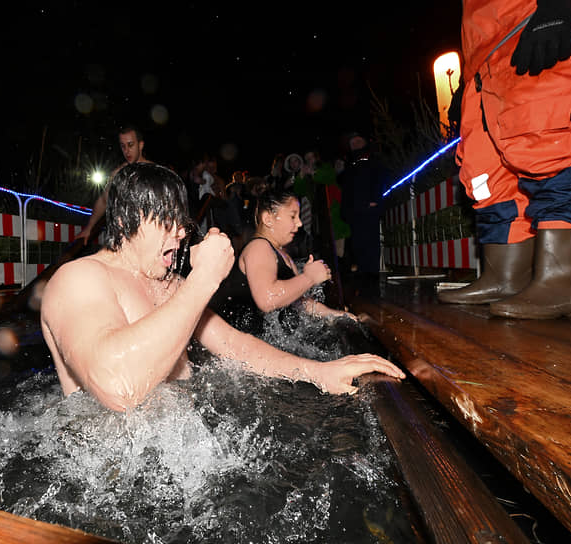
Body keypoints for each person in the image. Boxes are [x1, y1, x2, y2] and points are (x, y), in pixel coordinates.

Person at [40, 163, 404, 412]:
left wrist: (318, 372)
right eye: (166, 222)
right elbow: (117, 389)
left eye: (180, 222)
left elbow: (234, 345)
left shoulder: (167, 286)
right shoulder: (78, 278)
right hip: (112, 485)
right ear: (125, 220)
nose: (181, 234)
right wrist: (203, 279)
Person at [439, 0, 571, 319]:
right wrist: (468, 77)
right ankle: (505, 276)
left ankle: (560, 281)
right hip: (486, 48)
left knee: (556, 139)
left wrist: (560, 5)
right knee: (487, 172)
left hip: (540, 15)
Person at [210, 188, 356, 337]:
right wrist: (308, 278)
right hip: (242, 346)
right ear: (268, 219)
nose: (299, 223)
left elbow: (298, 303)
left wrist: (336, 315)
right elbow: (268, 300)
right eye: (293, 216)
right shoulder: (258, 248)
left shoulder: (282, 254)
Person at [75, 125, 151, 245]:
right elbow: (103, 201)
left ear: (140, 145)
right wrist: (89, 228)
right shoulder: (118, 173)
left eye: (130, 145)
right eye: (123, 146)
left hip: (149, 238)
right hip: (125, 240)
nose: (126, 151)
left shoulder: (153, 172)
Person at [340, 133, 385, 294]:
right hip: (354, 209)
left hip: (370, 207)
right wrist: (345, 210)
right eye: (353, 142)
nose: (356, 144)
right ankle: (363, 271)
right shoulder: (349, 164)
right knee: (357, 241)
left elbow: (380, 180)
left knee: (371, 240)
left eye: (359, 140)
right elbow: (346, 189)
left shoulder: (373, 160)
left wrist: (375, 200)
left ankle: (372, 273)